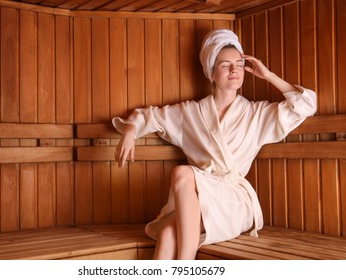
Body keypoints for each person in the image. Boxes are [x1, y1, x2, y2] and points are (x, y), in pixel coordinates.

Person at [112, 29, 317, 260]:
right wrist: (130, 130)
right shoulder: (191, 114)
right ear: (211, 73)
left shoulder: (257, 114)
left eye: (239, 64)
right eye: (225, 65)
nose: (234, 70)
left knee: (182, 173)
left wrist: (268, 75)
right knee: (168, 232)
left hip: (235, 201)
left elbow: (307, 105)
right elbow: (149, 116)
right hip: (200, 199)